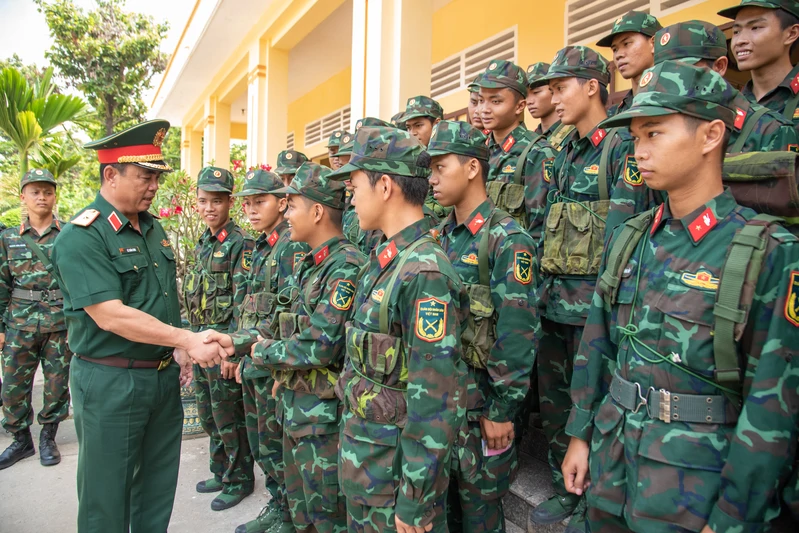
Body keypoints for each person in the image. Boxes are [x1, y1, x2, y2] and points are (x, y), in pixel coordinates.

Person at [561, 59, 799, 533]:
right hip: (612, 466)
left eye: (654, 134)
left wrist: (732, 516)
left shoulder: (766, 252)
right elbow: (597, 344)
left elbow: (773, 407)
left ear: (711, 136)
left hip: (693, 489)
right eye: (635, 138)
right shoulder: (631, 236)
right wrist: (580, 435)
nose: (639, 151)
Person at [51, 119, 227, 533]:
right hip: (111, 381)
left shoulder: (151, 227)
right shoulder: (83, 236)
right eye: (144, 177)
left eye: (156, 178)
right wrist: (185, 338)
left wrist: (178, 348)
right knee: (106, 495)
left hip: (160, 378)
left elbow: (160, 296)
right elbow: (110, 314)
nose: (154, 187)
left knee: (156, 487)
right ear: (111, 175)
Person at [328, 125, 467, 533]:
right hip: (368, 469)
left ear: (385, 186)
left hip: (395, 490)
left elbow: (436, 399)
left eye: (355, 186)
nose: (351, 199)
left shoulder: (423, 273)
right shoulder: (387, 258)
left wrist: (416, 500)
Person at [532, 45, 647, 532]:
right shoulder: (565, 151)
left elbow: (625, 236)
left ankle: (592, 499)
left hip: (594, 312)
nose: (554, 98)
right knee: (557, 406)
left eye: (561, 88)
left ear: (592, 86)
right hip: (556, 304)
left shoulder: (620, 148)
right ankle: (566, 487)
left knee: (595, 406)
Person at [428, 120, 539, 532]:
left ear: (473, 168)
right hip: (442, 408)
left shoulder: (507, 240)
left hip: (482, 413)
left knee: (481, 516)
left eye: (441, 167)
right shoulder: (439, 237)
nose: (432, 179)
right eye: (430, 169)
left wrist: (502, 410)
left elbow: (518, 334)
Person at [242, 161, 364, 533]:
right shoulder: (312, 264)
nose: (286, 214)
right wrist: (237, 342)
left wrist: (262, 354)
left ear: (317, 211)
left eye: (292, 205)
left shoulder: (345, 268)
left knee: (328, 518)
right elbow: (287, 325)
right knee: (302, 516)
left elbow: (320, 345)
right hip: (298, 408)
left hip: (324, 421)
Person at [204, 168, 309, 533]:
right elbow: (250, 306)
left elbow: (289, 315)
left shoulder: (291, 247)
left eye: (259, 202)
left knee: (278, 446)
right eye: (247, 203)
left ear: (282, 203)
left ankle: (289, 516)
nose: (250, 209)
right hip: (254, 360)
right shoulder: (262, 246)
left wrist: (254, 352)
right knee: (263, 444)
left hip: (274, 364)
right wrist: (238, 351)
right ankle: (278, 505)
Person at [183, 166, 255, 511]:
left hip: (223, 348)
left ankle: (239, 479)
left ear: (229, 202)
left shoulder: (240, 244)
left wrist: (235, 354)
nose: (209, 208)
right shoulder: (203, 242)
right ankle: (221, 470)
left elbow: (243, 303)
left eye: (216, 201)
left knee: (229, 417)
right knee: (208, 414)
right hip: (201, 346)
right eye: (203, 201)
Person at [0, 169, 70, 470]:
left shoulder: (69, 234)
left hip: (59, 324)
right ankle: (21, 440)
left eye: (47, 192)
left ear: (55, 196)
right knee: (13, 386)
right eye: (35, 192)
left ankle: (48, 438)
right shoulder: (8, 238)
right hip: (19, 324)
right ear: (23, 197)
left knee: (57, 384)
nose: (42, 197)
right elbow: (1, 285)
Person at [654, 19, 799, 153]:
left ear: (719, 66)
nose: (671, 82)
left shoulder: (771, 129)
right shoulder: (657, 127)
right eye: (665, 74)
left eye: (685, 70)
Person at [474, 59, 557, 244]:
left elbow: (540, 231)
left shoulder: (537, 153)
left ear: (520, 106)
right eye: (480, 100)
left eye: (495, 101)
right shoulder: (477, 151)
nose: (484, 109)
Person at [721, 0, 799, 129]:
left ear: (791, 34)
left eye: (755, 28)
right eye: (736, 32)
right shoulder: (730, 105)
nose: (739, 41)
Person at [596, 11, 662, 116]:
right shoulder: (616, 113)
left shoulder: (679, 97)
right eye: (615, 49)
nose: (618, 55)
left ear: (653, 43)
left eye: (626, 44)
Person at [526, 62, 574, 151]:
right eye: (526, 95)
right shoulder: (530, 138)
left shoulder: (574, 134)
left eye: (536, 92)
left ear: (553, 90)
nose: (529, 101)